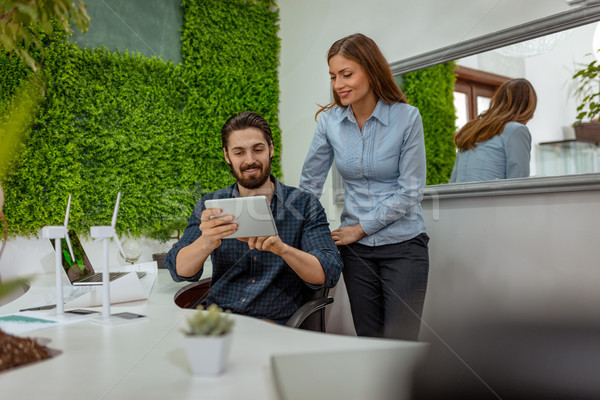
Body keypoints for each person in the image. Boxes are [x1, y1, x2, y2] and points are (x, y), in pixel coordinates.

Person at [299, 33, 429, 340]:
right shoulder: (329, 122)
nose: (338, 84)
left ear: (370, 70)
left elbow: (410, 190)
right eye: (333, 76)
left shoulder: (407, 118)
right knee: (369, 340)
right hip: (356, 254)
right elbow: (310, 184)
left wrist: (361, 228)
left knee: (401, 342)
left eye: (347, 74)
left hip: (404, 247)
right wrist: (298, 231)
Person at [165, 111, 343, 325]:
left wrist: (282, 249)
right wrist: (206, 242)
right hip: (219, 321)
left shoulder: (304, 204)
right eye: (239, 152)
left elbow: (328, 272)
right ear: (226, 156)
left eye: (257, 150)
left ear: (271, 149)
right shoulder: (211, 205)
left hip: (272, 323)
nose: (250, 160)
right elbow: (179, 270)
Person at [449, 78, 537, 183]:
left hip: (460, 198)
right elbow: (519, 182)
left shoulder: (471, 130)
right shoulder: (516, 130)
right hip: (491, 199)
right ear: (528, 106)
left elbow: (453, 181)